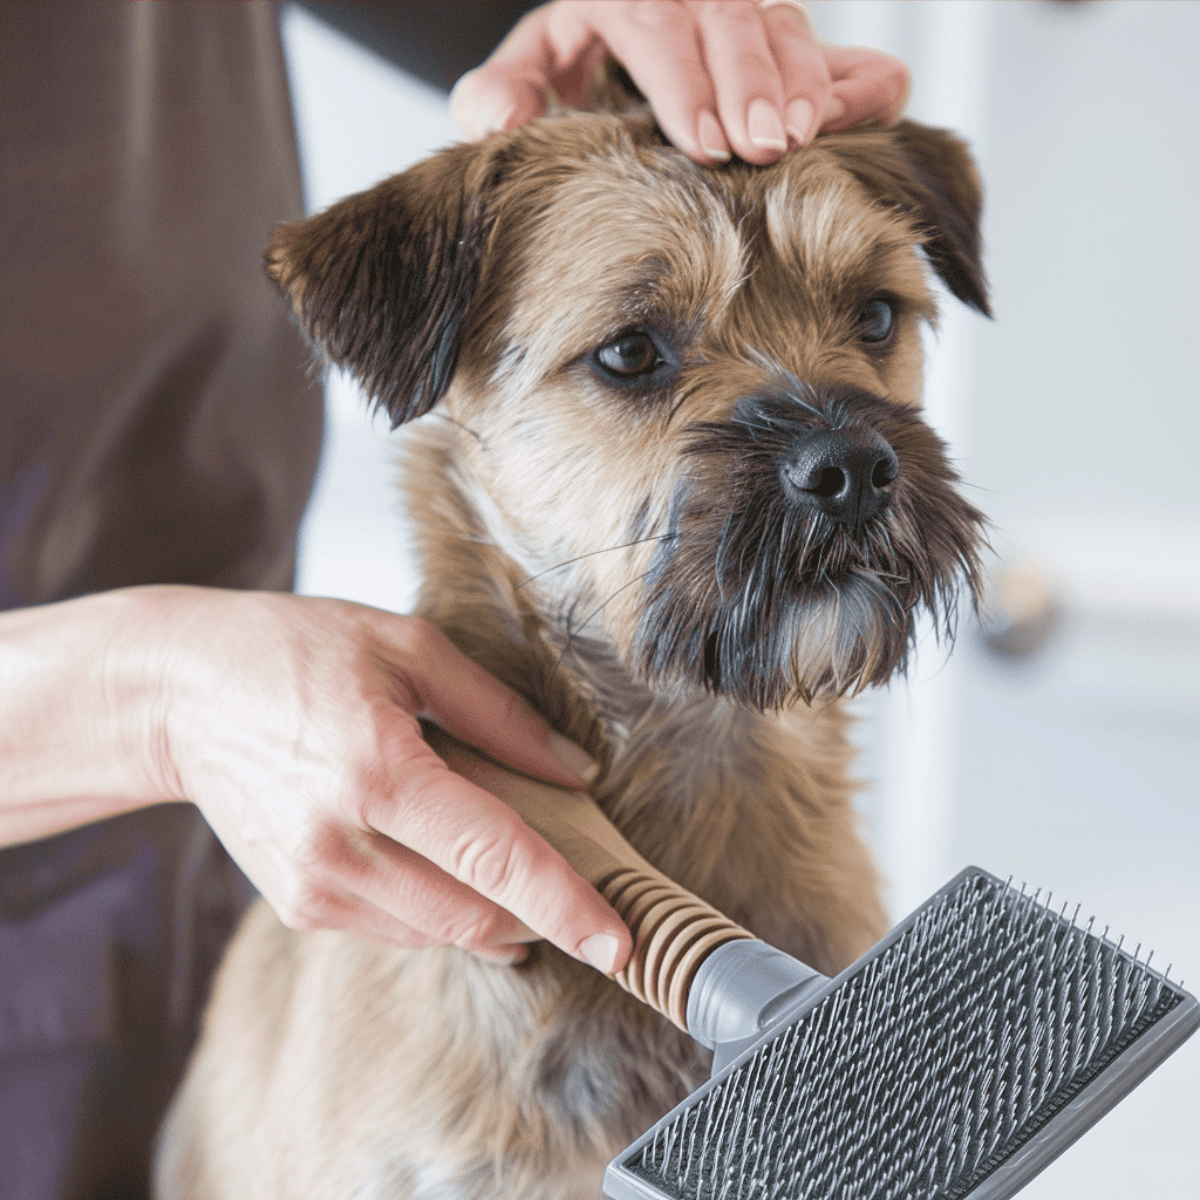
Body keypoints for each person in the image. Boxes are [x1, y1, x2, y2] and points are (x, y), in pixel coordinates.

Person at [0, 2, 908, 1195]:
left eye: (872, 318)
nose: (842, 453)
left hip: (253, 831)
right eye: (635, 356)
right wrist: (155, 703)